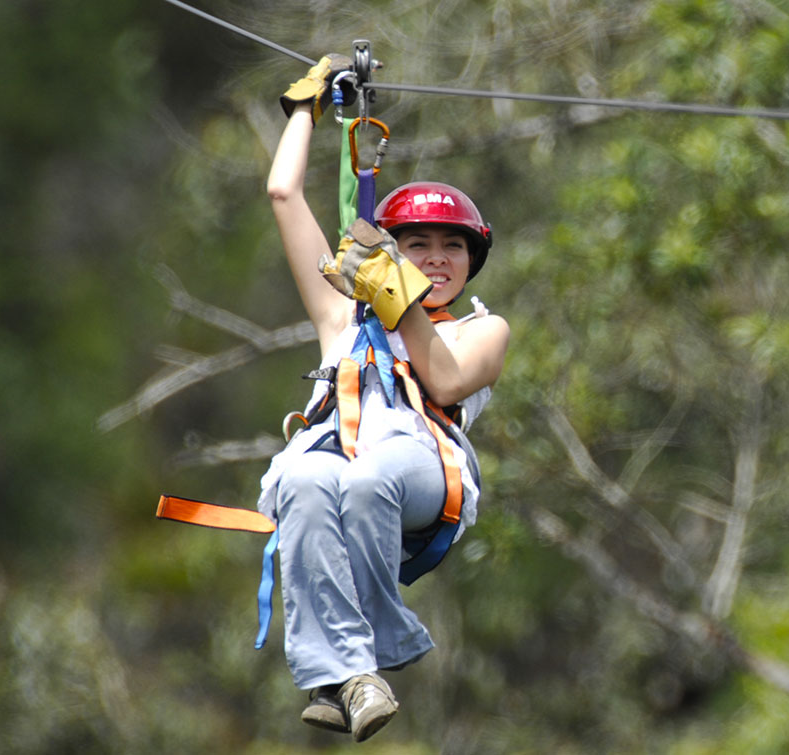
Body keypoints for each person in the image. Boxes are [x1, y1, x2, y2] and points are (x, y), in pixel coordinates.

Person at [257, 56, 509, 742]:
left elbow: (449, 379)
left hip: (421, 470)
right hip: (341, 463)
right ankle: (346, 677)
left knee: (372, 473)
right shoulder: (344, 323)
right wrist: (305, 111)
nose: (434, 258)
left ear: (470, 260)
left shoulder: (484, 328)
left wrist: (393, 293)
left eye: (450, 247)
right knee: (304, 476)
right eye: (416, 244)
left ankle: (372, 647)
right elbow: (284, 194)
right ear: (391, 249)